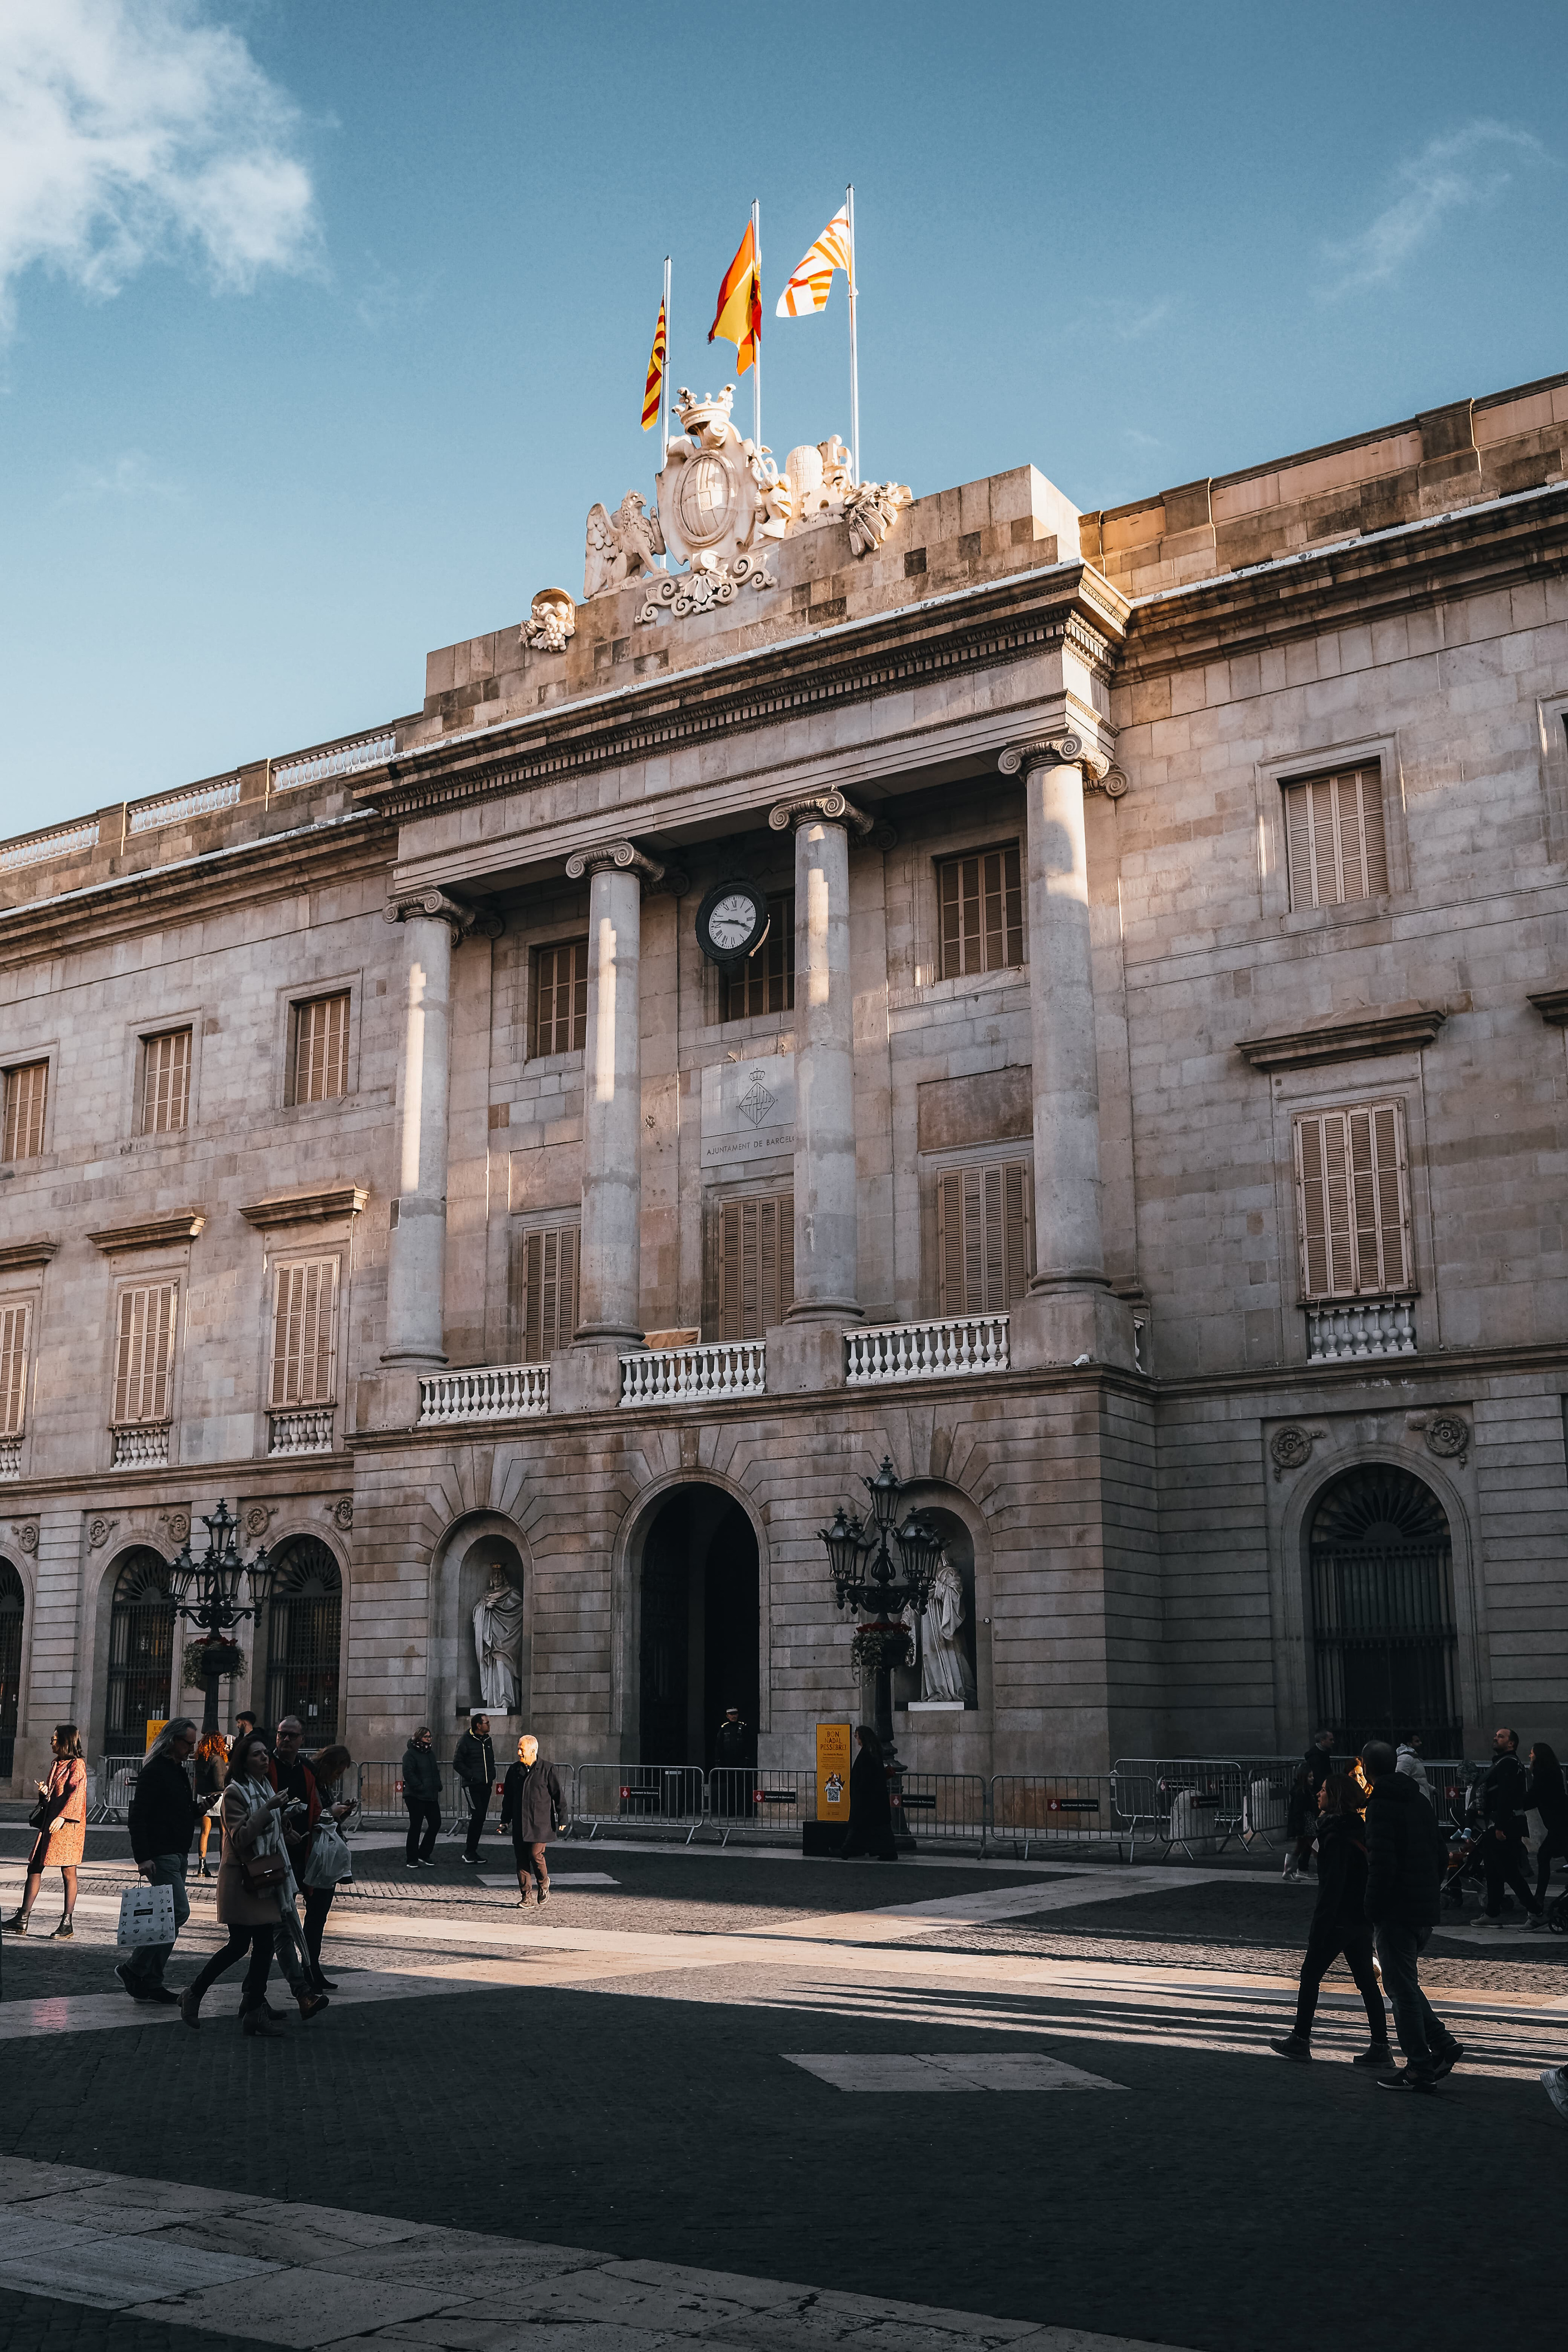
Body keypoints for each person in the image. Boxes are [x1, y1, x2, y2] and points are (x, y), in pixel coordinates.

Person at [179, 1731, 327, 2035]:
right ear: (244, 1761)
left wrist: (284, 1832)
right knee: (239, 1945)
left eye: (264, 1753)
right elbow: (242, 1837)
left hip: (263, 1878)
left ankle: (253, 2009)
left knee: (261, 1945)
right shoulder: (235, 1792)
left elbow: (266, 1831)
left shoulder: (263, 1786)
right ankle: (195, 1993)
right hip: (242, 1880)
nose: (264, 1758)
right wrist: (268, 1809)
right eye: (257, 1754)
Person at [1362, 1737, 1462, 2091]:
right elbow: (1440, 1855)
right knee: (1404, 1983)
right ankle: (1443, 2043)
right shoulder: (1419, 1802)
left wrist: (1371, 1910)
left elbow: (1381, 1865)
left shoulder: (1380, 1807)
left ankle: (1420, 2065)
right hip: (1422, 1907)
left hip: (1395, 1911)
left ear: (1367, 1770)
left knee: (1400, 1991)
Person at [1270, 1773, 1390, 2066]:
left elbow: (1332, 1886)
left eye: (1323, 1790)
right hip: (1359, 1917)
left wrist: (1320, 1926)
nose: (1318, 1794)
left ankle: (1300, 2039)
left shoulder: (1335, 1837)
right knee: (1365, 1981)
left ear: (1335, 1797)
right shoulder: (1355, 1830)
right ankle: (1380, 2047)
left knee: (1311, 1974)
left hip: (1339, 1917)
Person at [118, 1717, 198, 2004]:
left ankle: (152, 1980)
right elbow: (138, 1817)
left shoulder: (178, 1771)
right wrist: (143, 1857)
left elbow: (179, 1809)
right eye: (188, 1743)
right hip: (161, 1854)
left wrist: (200, 1807)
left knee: (165, 1919)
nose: (192, 1749)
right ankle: (135, 1968)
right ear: (172, 1740)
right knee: (178, 1912)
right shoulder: (155, 1771)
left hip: (178, 1852)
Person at [3, 1724, 89, 1938]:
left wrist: (63, 1817)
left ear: (65, 1742)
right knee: (34, 1866)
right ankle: (22, 1919)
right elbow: (55, 1795)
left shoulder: (77, 1765)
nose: (51, 1741)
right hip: (50, 1824)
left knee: (68, 1872)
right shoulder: (56, 1764)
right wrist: (44, 1794)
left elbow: (78, 1795)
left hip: (68, 1826)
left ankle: (67, 1923)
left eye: (55, 1738)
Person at [296, 1741, 354, 1991]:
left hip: (321, 1858)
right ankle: (308, 1972)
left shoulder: (320, 1784)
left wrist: (340, 1813)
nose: (337, 1778)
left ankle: (312, 1968)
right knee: (313, 1918)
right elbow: (310, 1815)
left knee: (318, 1918)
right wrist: (333, 1811)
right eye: (338, 1773)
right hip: (310, 1855)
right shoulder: (309, 1780)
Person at [1477, 1725, 1545, 1926]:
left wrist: (1500, 1827)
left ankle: (1536, 1913)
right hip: (1499, 1823)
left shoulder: (1508, 1764)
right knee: (1492, 1869)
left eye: (1501, 1736)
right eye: (1496, 1735)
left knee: (1508, 1870)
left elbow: (1506, 1797)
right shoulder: (1504, 1764)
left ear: (1512, 1743)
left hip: (1504, 1824)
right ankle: (1492, 1912)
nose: (1496, 1738)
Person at [499, 1734, 566, 1906]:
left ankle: (544, 1883)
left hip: (540, 1823)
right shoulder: (514, 1771)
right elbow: (508, 1798)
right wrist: (505, 1821)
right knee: (521, 1859)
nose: (519, 1753)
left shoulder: (548, 1769)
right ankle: (526, 1897)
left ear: (533, 1750)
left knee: (536, 1855)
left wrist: (563, 1818)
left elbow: (558, 1795)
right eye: (518, 1749)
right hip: (521, 1823)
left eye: (522, 1749)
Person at [1523, 1740, 1568, 1924]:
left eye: (1532, 1753)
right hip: (1561, 1822)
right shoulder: (1554, 1772)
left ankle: (1539, 1898)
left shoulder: (1542, 1774)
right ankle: (1540, 1897)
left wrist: (1514, 1804)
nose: (1530, 1756)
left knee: (1543, 1856)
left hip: (1560, 1824)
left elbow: (1535, 1797)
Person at [840, 1725, 898, 1862]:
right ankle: (886, 1852)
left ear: (862, 1737)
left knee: (857, 1827)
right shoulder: (872, 1753)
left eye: (857, 1736)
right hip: (874, 1800)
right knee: (879, 1829)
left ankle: (846, 1851)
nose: (856, 1739)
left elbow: (866, 1778)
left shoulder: (867, 1754)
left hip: (867, 1800)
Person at [454, 1713, 496, 1864]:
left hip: (486, 1784)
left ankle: (472, 1851)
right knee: (477, 1816)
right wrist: (472, 1776)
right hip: (472, 1786)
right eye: (487, 1723)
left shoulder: (488, 1740)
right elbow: (457, 1763)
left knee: (480, 1818)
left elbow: (490, 1759)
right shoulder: (465, 1741)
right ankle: (469, 1851)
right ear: (479, 1725)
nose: (489, 1725)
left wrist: (491, 1775)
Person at [402, 1724, 441, 1868]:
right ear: (419, 1738)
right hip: (415, 1796)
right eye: (426, 1737)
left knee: (436, 1823)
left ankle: (424, 1853)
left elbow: (435, 1772)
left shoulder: (430, 1754)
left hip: (430, 1795)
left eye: (430, 1737)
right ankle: (412, 1858)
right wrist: (420, 1787)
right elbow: (409, 1773)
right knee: (416, 1826)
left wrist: (438, 1785)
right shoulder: (411, 1754)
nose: (429, 1739)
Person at [192, 1729, 227, 1877]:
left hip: (203, 1797)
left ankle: (202, 1866)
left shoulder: (200, 1758)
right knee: (223, 1832)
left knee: (205, 1832)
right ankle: (223, 1866)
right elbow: (220, 1783)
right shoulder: (217, 1758)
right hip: (218, 1797)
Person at [1396, 1734, 1433, 1804]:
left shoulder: (1414, 1758)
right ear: (1409, 1744)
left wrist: (1432, 1789)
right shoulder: (1405, 1758)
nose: (1420, 1743)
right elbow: (1401, 1779)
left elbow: (1419, 1779)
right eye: (1417, 1741)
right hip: (1415, 1801)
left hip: (1421, 1799)